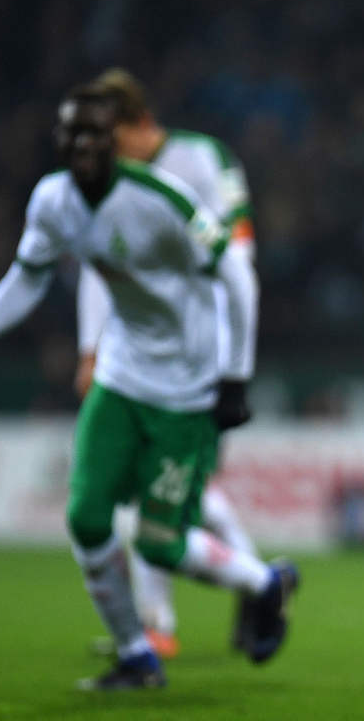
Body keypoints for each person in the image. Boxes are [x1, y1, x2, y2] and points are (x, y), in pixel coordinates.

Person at [0, 84, 298, 690]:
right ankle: (137, 656)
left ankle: (262, 583)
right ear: (60, 144)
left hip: (187, 390)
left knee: (158, 543)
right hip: (122, 378)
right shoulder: (53, 201)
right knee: (88, 518)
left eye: (94, 134)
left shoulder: (161, 197)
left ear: (116, 141)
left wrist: (235, 377)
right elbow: (27, 276)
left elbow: (237, 276)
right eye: (70, 134)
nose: (82, 145)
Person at [79, 67, 261, 660]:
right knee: (156, 498)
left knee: (177, 500)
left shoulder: (202, 160)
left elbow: (238, 257)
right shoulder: (112, 184)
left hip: (201, 355)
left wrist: (233, 362)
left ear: (135, 124)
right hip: (142, 358)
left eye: (109, 135)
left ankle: (258, 584)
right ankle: (165, 619)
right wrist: (92, 347)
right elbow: (99, 267)